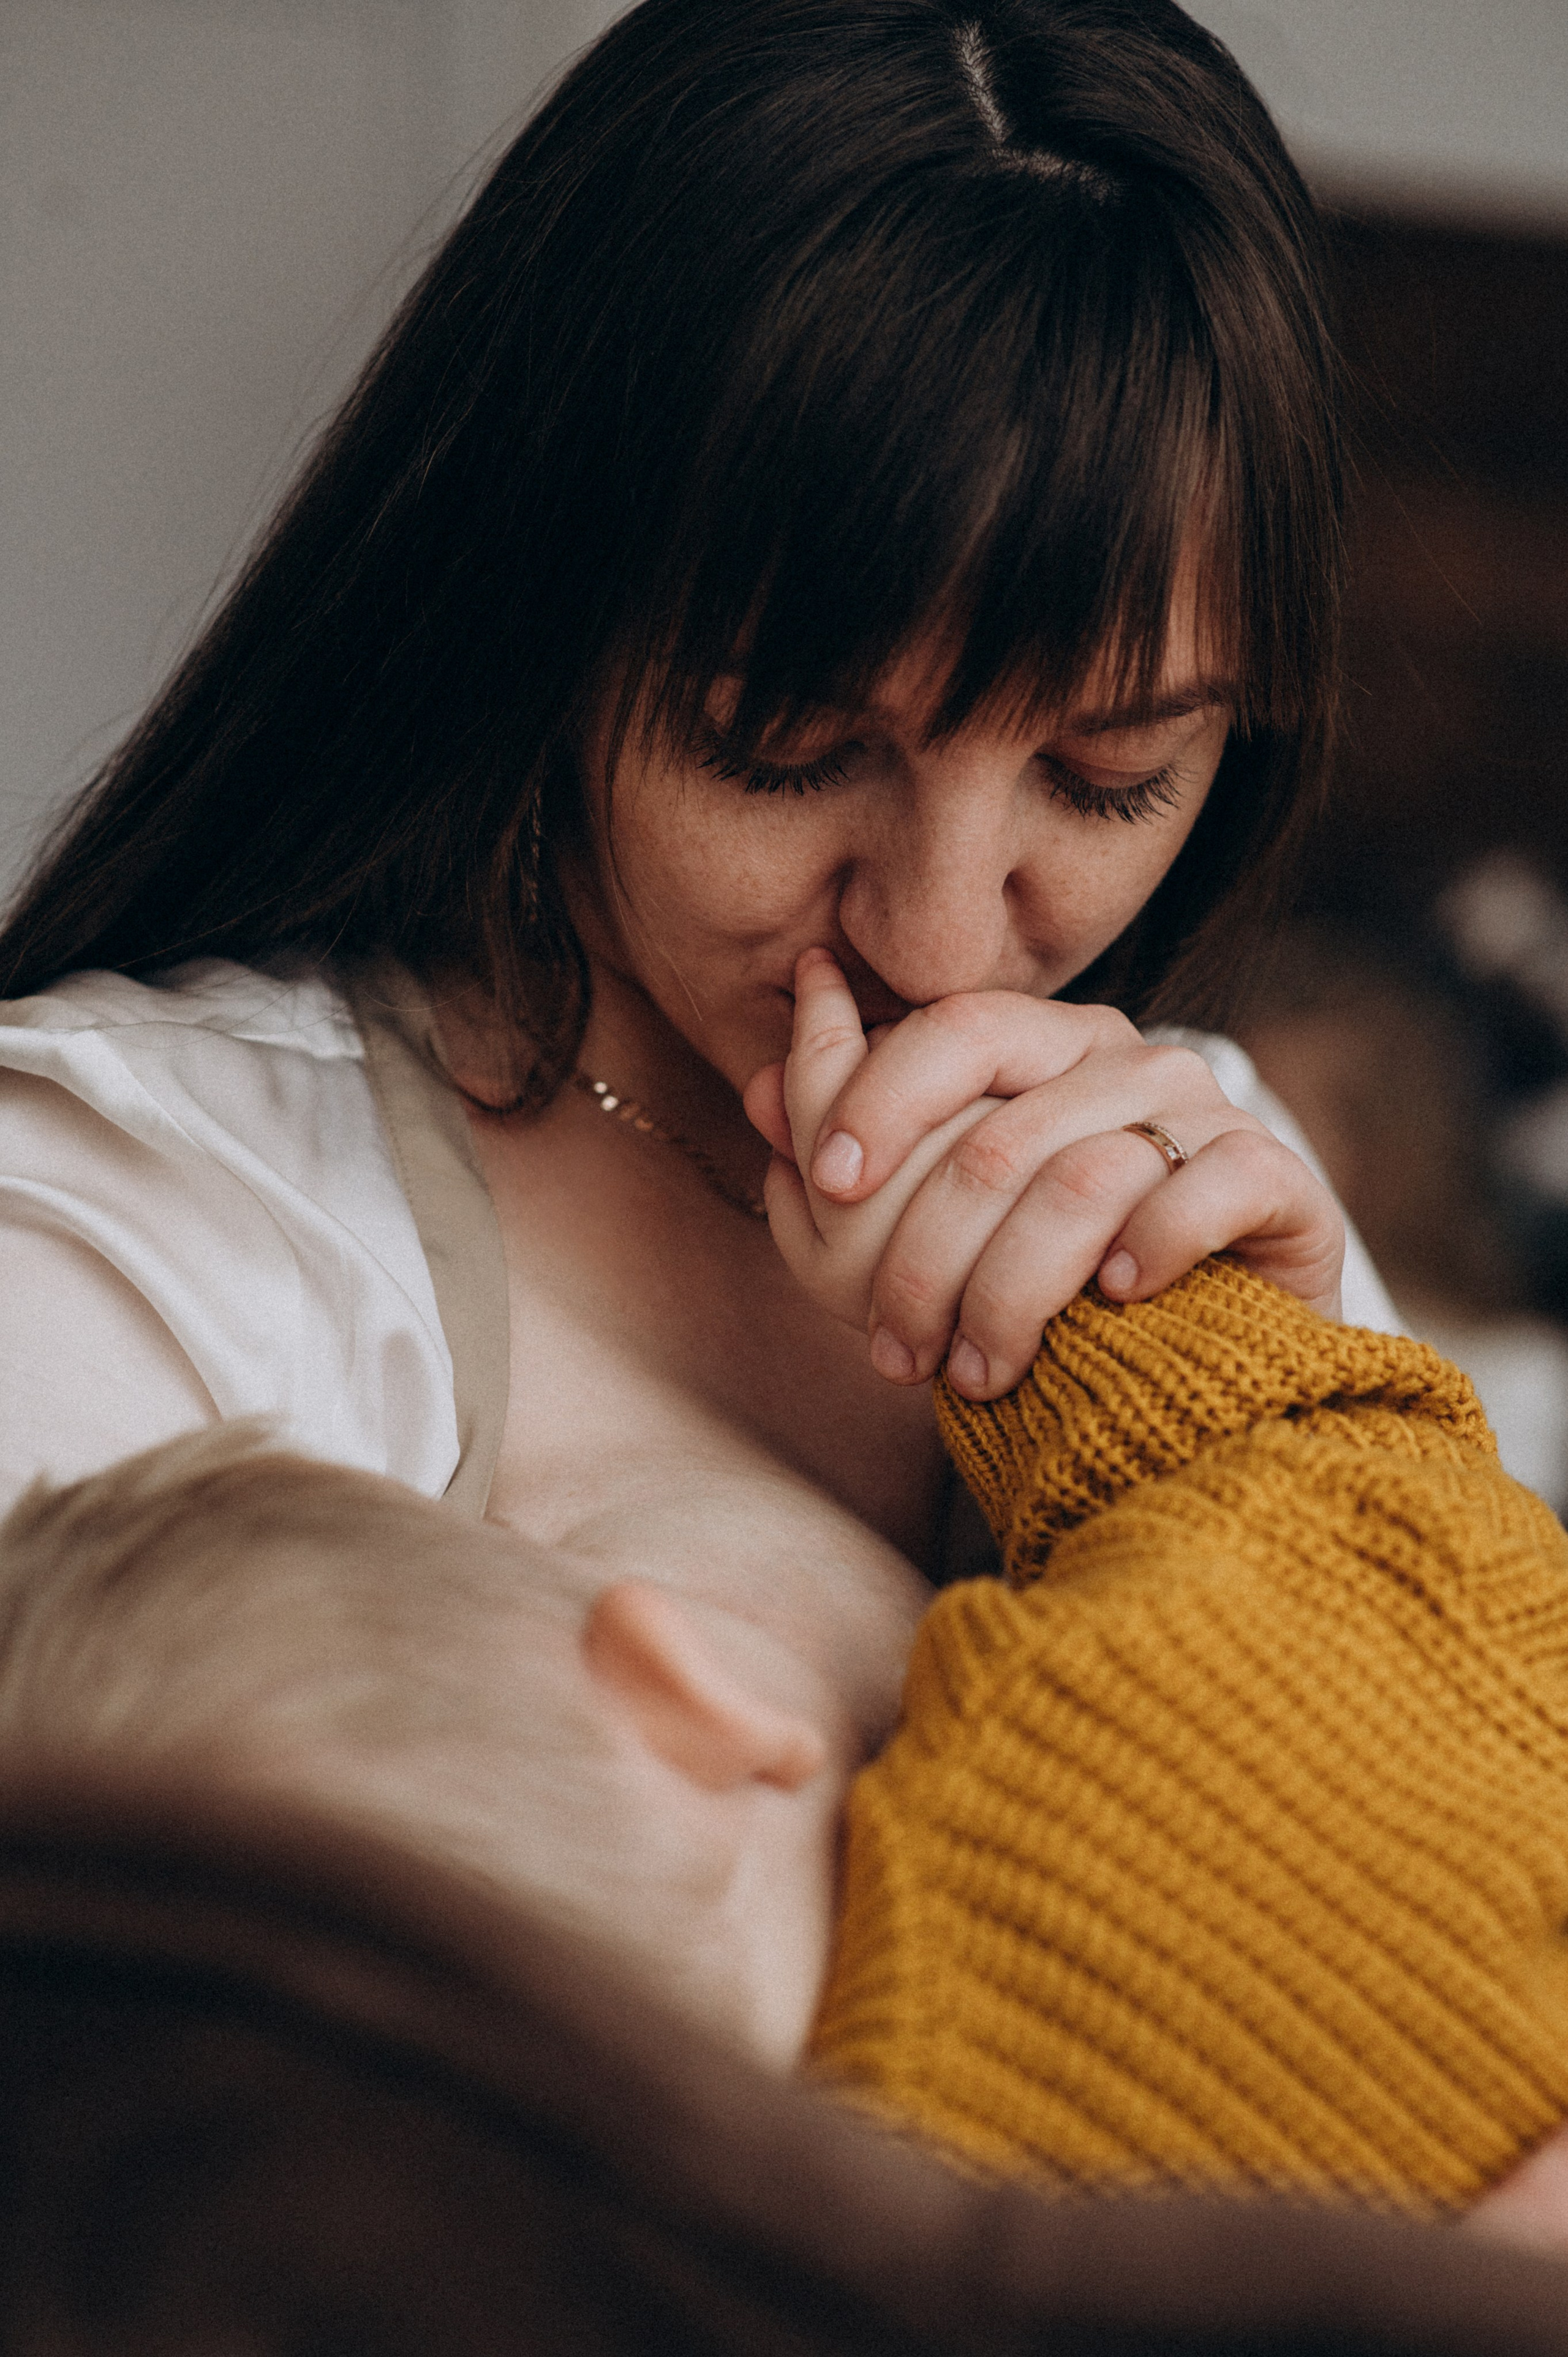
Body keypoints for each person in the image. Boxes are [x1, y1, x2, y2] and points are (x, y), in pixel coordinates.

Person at [1, 0, 1393, 1604]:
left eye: (1106, 778)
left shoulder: (1194, 1181)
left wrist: (1311, 1441)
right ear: (539, 624)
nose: (937, 949)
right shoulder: (146, 1242)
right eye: (785, 745)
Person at [6, 962, 1568, 2225]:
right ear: (683, 1689)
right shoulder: (1106, 1733)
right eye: (790, 746)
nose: (945, 913)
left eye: (1103, 778)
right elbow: (1346, 1501)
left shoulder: (780, 2270)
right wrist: (1130, 1327)